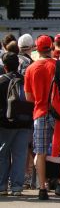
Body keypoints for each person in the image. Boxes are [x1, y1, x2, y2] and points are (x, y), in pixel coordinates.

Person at [24, 35, 60, 200]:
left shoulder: (30, 68)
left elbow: (28, 97)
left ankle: (42, 188)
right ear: (51, 47)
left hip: (40, 113)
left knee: (40, 152)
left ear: (37, 49)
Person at [0, 52, 32, 196]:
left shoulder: (1, 81)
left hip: (5, 123)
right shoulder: (25, 80)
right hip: (24, 122)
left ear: (4, 66)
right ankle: (17, 187)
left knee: (3, 154)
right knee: (20, 155)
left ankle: (2, 186)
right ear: (18, 65)